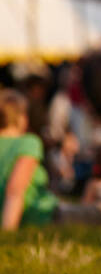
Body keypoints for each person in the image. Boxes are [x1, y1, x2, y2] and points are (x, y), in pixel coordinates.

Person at [0, 89, 58, 230]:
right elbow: (15, 190)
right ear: (22, 118)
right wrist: (7, 233)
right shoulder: (28, 142)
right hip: (38, 215)